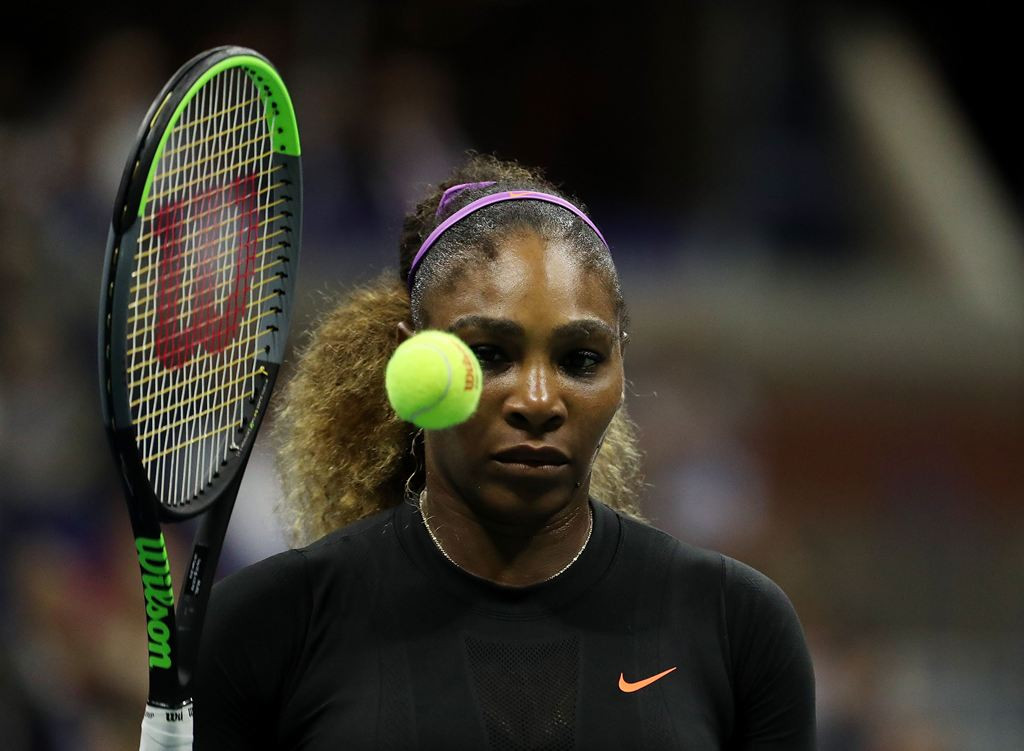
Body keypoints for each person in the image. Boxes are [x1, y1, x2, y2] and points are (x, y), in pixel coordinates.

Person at [194, 154, 816, 749]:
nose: (539, 400)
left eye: (580, 360)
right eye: (490, 354)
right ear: (410, 356)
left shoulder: (737, 626)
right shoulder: (267, 626)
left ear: (620, 365)